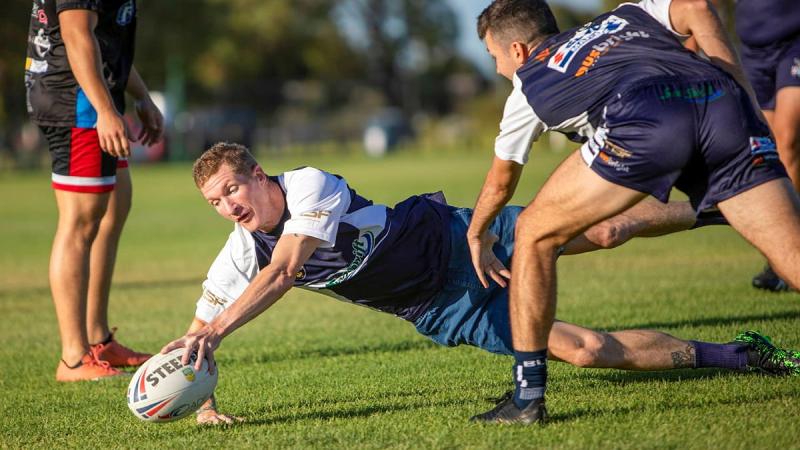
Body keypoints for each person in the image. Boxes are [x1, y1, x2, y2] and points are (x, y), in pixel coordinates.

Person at [159, 143, 799, 425]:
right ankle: (745, 355)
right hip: (440, 307)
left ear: (258, 174)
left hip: (460, 237)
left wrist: (216, 330)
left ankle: (730, 204)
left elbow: (288, 269)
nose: (230, 206)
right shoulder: (240, 251)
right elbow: (197, 335)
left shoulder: (307, 185)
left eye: (233, 189)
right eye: (216, 202)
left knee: (603, 232)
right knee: (581, 350)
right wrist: (199, 390)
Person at [466, 0, 800, 424]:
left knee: (534, 230)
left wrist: (478, 233)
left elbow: (500, 183)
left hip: (646, 116)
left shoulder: (527, 88)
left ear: (517, 51)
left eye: (494, 57)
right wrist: (735, 83)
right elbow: (696, 6)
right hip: (723, 102)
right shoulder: (624, 15)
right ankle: (719, 207)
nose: (497, 70)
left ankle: (526, 399)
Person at [25, 0, 163, 381]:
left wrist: (141, 95)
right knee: (80, 222)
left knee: (115, 208)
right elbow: (75, 33)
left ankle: (98, 340)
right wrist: (104, 110)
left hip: (97, 96)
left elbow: (107, 45)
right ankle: (73, 358)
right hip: (77, 102)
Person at [733, 0, 800, 292]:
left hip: (794, 43)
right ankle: (779, 257)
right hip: (753, 51)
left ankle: (790, 251)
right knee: (766, 151)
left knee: (787, 140)